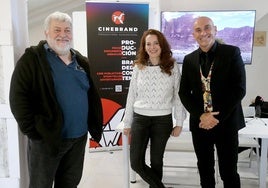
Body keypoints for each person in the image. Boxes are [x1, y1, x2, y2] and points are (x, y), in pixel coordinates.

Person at [9, 11, 103, 188]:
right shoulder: (32, 59)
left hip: (78, 138)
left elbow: (90, 95)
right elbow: (17, 97)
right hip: (47, 139)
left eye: (67, 30)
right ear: (46, 33)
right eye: (57, 30)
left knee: (70, 183)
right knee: (41, 185)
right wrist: (33, 131)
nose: (63, 35)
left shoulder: (81, 61)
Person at [179, 16, 246, 188]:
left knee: (228, 172)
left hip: (226, 122)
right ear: (194, 34)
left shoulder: (232, 53)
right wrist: (202, 116)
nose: (203, 33)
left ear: (215, 29)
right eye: (198, 30)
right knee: (205, 170)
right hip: (200, 124)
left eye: (207, 28)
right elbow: (184, 93)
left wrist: (215, 117)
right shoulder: (189, 59)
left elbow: (239, 89)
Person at [122, 29, 186, 188]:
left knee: (156, 161)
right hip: (140, 119)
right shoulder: (138, 66)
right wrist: (127, 122)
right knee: (136, 162)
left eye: (156, 43)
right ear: (144, 47)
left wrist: (179, 122)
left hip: (162, 120)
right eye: (148, 44)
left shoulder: (172, 66)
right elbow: (131, 95)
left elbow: (179, 95)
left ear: (162, 45)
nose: (152, 47)